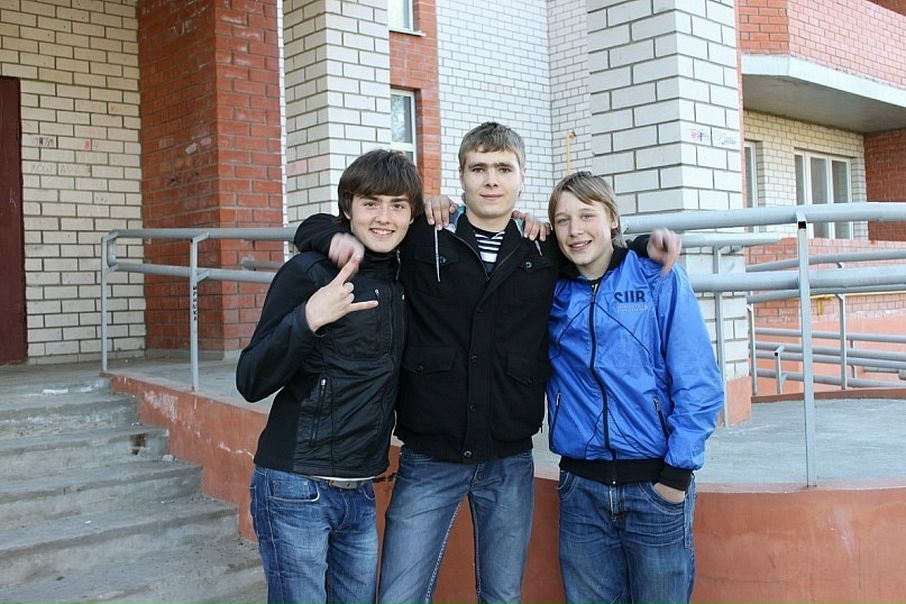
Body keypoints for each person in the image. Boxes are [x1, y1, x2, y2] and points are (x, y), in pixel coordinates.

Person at [294, 122, 682, 604]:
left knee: (501, 595)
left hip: (508, 458)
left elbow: (598, 251)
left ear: (522, 176)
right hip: (429, 455)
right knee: (398, 594)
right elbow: (324, 226)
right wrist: (328, 238)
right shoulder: (424, 236)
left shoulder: (542, 247)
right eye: (478, 169)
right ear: (461, 176)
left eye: (503, 168)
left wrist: (641, 245)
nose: (491, 180)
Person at [235, 149, 423, 604]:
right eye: (371, 204)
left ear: (411, 215)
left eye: (397, 205)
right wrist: (308, 319)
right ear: (348, 209)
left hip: (360, 489)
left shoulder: (405, 278)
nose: (384, 218)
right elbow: (250, 379)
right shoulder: (309, 272)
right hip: (296, 485)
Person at [545, 171, 723, 604]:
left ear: (612, 219)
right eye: (563, 220)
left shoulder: (658, 277)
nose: (575, 230)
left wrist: (676, 476)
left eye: (587, 215)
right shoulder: (549, 289)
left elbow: (698, 381)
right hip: (581, 488)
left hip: (654, 486)